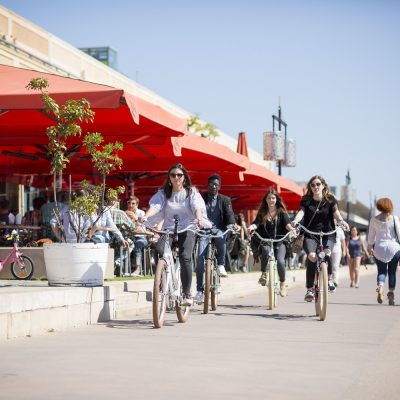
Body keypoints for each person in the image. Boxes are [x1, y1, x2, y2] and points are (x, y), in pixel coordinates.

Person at [144, 163, 209, 306]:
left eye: (179, 175)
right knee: (159, 250)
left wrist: (199, 218)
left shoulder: (191, 192)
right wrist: (145, 217)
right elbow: (155, 206)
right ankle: (160, 282)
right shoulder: (163, 193)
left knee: (185, 256)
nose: (176, 177)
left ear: (184, 177)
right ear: (169, 178)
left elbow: (196, 207)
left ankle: (187, 293)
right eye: (173, 175)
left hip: (188, 227)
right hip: (169, 229)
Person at [291, 175, 349, 302]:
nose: (315, 187)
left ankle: (329, 279)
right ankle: (310, 289)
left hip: (328, 234)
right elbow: (301, 212)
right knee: (312, 257)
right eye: (312, 185)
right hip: (310, 234)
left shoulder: (330, 199)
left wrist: (342, 222)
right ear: (310, 187)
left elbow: (336, 213)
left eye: (318, 184)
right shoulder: (306, 200)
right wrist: (295, 220)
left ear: (323, 185)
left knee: (327, 254)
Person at [194, 174, 237, 304]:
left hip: (218, 229)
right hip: (204, 231)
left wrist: (231, 226)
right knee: (200, 259)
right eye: (211, 184)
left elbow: (229, 215)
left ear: (219, 186)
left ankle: (221, 265)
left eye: (216, 184)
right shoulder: (200, 198)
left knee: (221, 237)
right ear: (207, 186)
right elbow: (195, 210)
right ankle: (200, 291)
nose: (213, 186)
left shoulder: (225, 200)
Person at [248, 189, 293, 297]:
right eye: (269, 198)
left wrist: (291, 228)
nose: (271, 200)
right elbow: (256, 223)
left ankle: (282, 284)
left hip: (280, 240)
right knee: (265, 250)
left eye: (273, 198)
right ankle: (263, 273)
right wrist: (251, 227)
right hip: (266, 240)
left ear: (277, 199)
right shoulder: (262, 212)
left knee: (281, 262)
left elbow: (287, 224)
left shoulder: (281, 212)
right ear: (266, 200)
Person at [367, 198, 400, 306]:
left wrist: (369, 247)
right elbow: (399, 235)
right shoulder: (394, 218)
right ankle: (390, 294)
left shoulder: (374, 219)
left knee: (381, 271)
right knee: (392, 272)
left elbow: (371, 237)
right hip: (393, 248)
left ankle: (380, 286)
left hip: (379, 248)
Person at [121, 196, 148, 276]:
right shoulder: (124, 213)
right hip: (128, 237)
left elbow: (143, 230)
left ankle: (138, 269)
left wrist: (136, 219)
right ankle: (120, 268)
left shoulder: (141, 213)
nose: (130, 205)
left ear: (137, 205)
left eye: (133, 203)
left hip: (141, 236)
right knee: (120, 243)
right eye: (129, 203)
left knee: (138, 244)